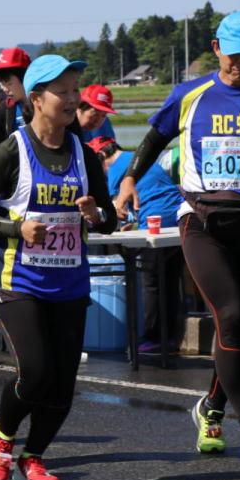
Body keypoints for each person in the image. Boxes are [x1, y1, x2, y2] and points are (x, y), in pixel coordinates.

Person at [116, 11, 240, 468]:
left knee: (236, 326)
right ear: (217, 48)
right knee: (232, 314)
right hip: (200, 221)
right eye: (234, 54)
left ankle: (211, 407)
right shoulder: (190, 95)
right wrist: (128, 181)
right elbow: (154, 138)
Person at [0, 54, 117, 480]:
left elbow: (108, 218)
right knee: (34, 371)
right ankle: (2, 438)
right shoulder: (10, 150)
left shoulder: (83, 155)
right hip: (19, 281)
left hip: (69, 282)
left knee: (62, 385)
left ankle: (33, 457)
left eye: (76, 90)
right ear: (36, 98)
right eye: (64, 91)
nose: (73, 99)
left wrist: (96, 214)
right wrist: (17, 228)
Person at [88, 135, 185, 353]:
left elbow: (117, 210)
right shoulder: (136, 158)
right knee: (170, 278)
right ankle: (170, 337)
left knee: (151, 281)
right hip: (178, 219)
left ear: (102, 156)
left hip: (155, 223)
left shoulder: (116, 173)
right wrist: (133, 221)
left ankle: (153, 337)